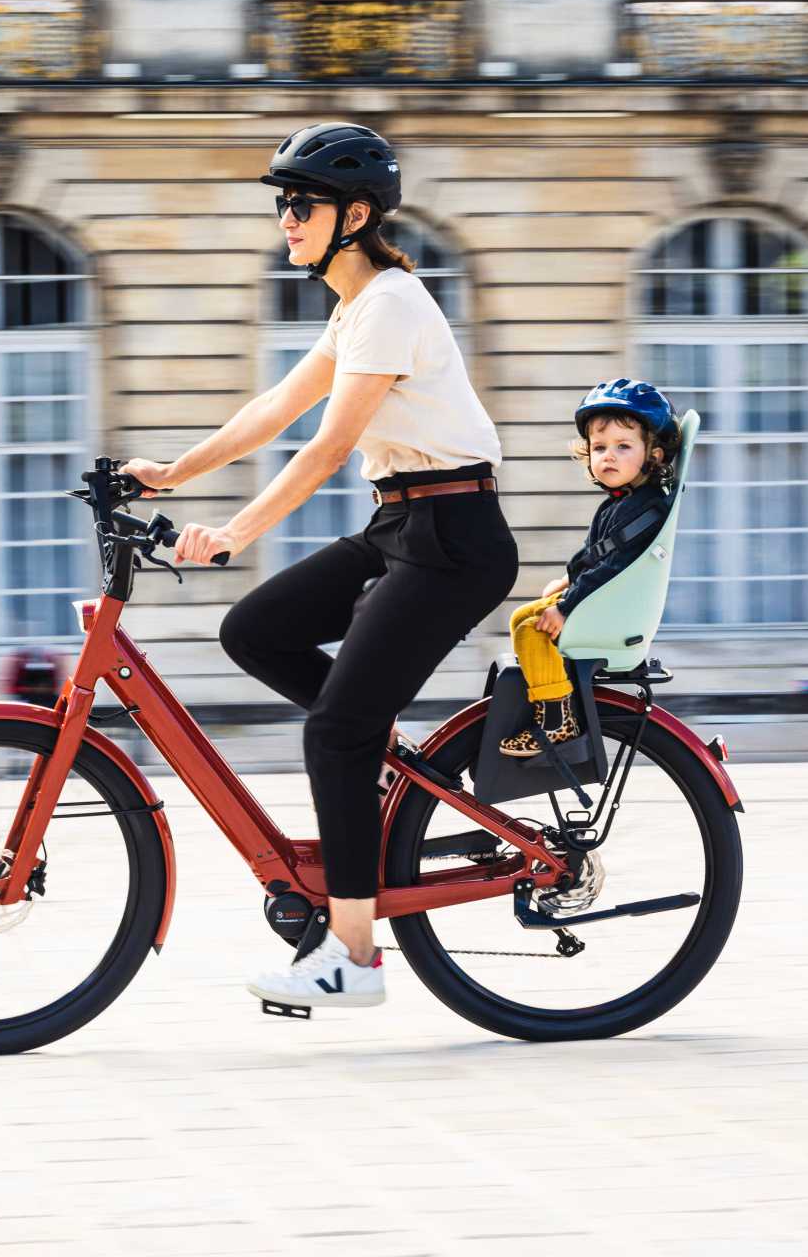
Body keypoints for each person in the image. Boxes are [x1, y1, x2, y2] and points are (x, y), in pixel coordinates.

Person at [124, 120, 518, 1013]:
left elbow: (330, 445)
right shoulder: (354, 308)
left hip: (454, 539)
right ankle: (378, 755)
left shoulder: (391, 301)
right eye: (282, 204)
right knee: (254, 630)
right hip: (402, 524)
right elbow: (276, 406)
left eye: (301, 204)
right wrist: (169, 473)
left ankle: (353, 956)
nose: (286, 219)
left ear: (357, 214)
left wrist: (235, 530)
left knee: (331, 732)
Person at [501, 380, 680, 757]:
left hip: (605, 607)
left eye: (623, 446)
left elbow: (613, 568)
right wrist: (567, 581)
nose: (608, 457)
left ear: (656, 456)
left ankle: (556, 721)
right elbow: (593, 555)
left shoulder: (646, 508)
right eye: (599, 448)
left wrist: (566, 607)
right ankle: (550, 698)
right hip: (598, 600)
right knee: (521, 617)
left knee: (533, 632)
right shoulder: (620, 503)